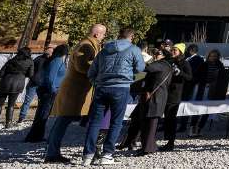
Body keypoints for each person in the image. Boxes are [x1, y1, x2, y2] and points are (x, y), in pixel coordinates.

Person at [83, 26, 145, 165]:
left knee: (95, 122)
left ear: (119, 35)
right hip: (121, 87)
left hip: (101, 87)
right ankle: (107, 154)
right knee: (116, 122)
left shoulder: (104, 49)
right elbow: (140, 68)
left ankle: (88, 155)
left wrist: (97, 82)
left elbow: (91, 72)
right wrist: (130, 74)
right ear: (132, 36)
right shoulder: (134, 49)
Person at [45, 23, 105, 164]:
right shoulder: (86, 45)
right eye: (103, 34)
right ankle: (52, 153)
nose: (103, 37)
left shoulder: (89, 44)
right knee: (63, 120)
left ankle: (52, 152)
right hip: (74, 90)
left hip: (78, 89)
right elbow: (81, 65)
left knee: (64, 121)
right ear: (97, 34)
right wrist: (98, 71)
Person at [121, 45, 175, 156]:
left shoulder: (161, 65)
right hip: (154, 97)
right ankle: (146, 146)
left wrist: (144, 59)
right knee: (146, 123)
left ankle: (147, 149)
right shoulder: (165, 65)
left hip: (155, 97)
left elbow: (146, 68)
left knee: (150, 124)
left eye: (158, 54)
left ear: (164, 56)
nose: (155, 55)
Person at [25, 44, 68, 143]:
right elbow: (50, 77)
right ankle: (35, 136)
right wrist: (53, 90)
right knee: (43, 114)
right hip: (49, 91)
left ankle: (36, 135)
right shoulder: (57, 61)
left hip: (49, 90)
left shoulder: (57, 60)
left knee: (43, 113)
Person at [158, 42, 193, 152]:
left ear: (181, 52)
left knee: (171, 118)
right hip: (165, 92)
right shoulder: (170, 61)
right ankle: (165, 139)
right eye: (172, 49)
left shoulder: (185, 63)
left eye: (175, 50)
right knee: (165, 117)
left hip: (175, 94)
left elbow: (190, 77)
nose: (173, 51)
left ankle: (170, 142)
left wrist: (179, 73)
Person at [0, 46, 35, 129]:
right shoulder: (30, 62)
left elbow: (1, 72)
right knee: (11, 105)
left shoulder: (12, 60)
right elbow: (31, 75)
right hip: (18, 84)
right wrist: (22, 74)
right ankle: (8, 124)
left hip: (5, 83)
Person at [189, 49, 229, 136]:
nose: (213, 57)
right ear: (208, 56)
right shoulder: (203, 65)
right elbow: (196, 76)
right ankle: (192, 128)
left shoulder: (220, 66)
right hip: (202, 88)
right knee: (198, 108)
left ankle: (200, 128)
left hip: (213, 90)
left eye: (215, 56)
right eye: (211, 56)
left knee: (207, 110)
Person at [20, 46, 54, 123]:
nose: (49, 54)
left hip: (36, 82)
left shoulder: (38, 58)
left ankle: (23, 118)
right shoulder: (49, 60)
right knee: (32, 101)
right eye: (49, 52)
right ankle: (23, 118)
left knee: (29, 101)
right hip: (38, 83)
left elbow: (31, 70)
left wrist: (31, 77)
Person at [179, 44, 205, 132]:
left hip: (191, 85)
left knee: (187, 104)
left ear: (191, 50)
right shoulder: (186, 58)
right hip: (183, 84)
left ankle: (184, 125)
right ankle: (181, 123)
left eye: (188, 50)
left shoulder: (198, 59)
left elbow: (195, 72)